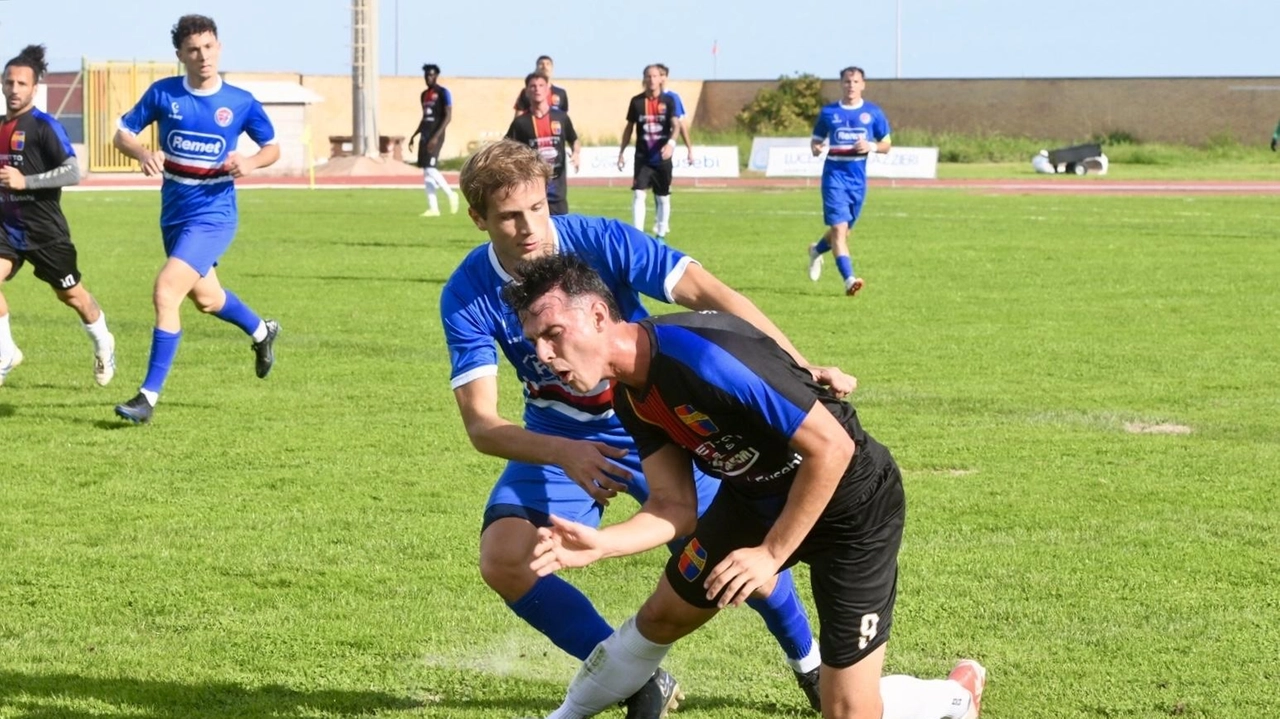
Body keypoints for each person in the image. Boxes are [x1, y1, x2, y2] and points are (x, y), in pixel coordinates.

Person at [442, 140, 856, 716]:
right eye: (510, 216)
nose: (531, 227)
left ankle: (807, 663)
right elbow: (482, 425)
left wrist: (797, 366)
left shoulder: (600, 240)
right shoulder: (465, 294)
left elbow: (713, 296)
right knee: (506, 559)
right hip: (561, 438)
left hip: (660, 418)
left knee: (739, 556)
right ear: (478, 218)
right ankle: (634, 679)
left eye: (538, 207)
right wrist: (565, 452)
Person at [508, 253, 987, 719]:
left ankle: (955, 698)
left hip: (852, 505)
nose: (544, 356)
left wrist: (771, 554)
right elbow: (674, 505)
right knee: (661, 617)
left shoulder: (700, 355)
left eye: (553, 334)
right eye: (535, 342)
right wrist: (601, 544)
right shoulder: (632, 396)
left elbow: (833, 448)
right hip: (756, 502)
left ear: (596, 316)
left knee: (845, 713)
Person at [111, 14, 280, 424]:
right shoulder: (164, 94)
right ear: (180, 55)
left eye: (208, 47)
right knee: (207, 299)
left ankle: (147, 398)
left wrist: (251, 161)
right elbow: (122, 133)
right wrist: (142, 152)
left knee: (166, 291)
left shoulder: (239, 102)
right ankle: (262, 331)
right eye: (193, 49)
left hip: (214, 216)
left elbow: (272, 147)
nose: (202, 56)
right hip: (174, 216)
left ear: (218, 47)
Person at [0, 44, 115, 387]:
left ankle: (103, 342)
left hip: (45, 231)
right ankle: (6, 351)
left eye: (22, 84)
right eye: (9, 82)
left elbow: (72, 172)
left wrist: (25, 182)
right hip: (6, 228)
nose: (14, 89)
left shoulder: (45, 127)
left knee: (72, 296)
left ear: (35, 88)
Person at [806, 66, 891, 297]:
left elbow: (886, 144)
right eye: (846, 82)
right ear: (841, 84)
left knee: (843, 232)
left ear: (863, 84)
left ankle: (816, 250)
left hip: (858, 180)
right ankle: (849, 279)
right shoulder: (829, 112)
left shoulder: (873, 113)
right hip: (834, 176)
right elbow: (815, 140)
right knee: (838, 228)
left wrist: (871, 146)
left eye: (855, 82)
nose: (851, 86)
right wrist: (816, 147)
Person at [505, 72, 580, 216]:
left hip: (557, 188)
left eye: (541, 86)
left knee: (560, 231)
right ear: (526, 92)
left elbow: (574, 139)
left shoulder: (561, 117)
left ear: (547, 90)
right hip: (531, 188)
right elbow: (507, 148)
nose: (537, 89)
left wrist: (576, 153)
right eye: (532, 86)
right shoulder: (520, 123)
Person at [407, 63, 458, 217]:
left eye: (431, 75)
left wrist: (436, 137)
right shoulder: (424, 95)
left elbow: (448, 116)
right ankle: (433, 208)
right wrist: (414, 135)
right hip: (425, 134)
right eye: (426, 75)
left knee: (431, 168)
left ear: (436, 76)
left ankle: (451, 194)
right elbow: (425, 117)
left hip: (436, 135)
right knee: (426, 172)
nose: (428, 78)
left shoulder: (443, 93)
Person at [655, 64, 694, 165]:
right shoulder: (646, 98)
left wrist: (689, 149)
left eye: (662, 75)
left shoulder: (673, 97)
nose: (659, 78)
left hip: (665, 145)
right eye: (656, 75)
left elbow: (681, 124)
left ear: (666, 77)